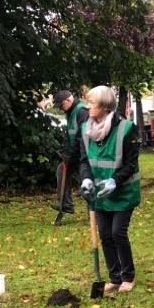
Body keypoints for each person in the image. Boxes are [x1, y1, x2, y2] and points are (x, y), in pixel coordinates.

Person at [78, 86, 140, 293]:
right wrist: (86, 179)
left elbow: (131, 164)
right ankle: (114, 278)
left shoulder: (127, 129)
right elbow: (84, 160)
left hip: (122, 192)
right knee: (105, 234)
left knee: (117, 233)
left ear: (104, 106)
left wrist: (114, 180)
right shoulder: (85, 130)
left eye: (91, 103)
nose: (87, 107)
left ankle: (128, 276)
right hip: (99, 194)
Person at [53, 89, 88, 220]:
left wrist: (71, 155)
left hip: (86, 155)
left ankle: (96, 211)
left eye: (61, 105)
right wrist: (66, 153)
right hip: (76, 154)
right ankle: (66, 204)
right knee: (62, 170)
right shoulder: (69, 112)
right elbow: (69, 136)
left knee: (86, 182)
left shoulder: (82, 111)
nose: (61, 109)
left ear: (68, 100)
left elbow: (81, 137)